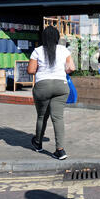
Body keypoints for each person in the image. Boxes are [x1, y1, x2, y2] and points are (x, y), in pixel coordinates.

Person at [27, 26, 76, 160]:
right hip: (61, 86)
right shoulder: (63, 50)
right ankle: (60, 150)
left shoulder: (37, 51)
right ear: (57, 38)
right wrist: (61, 72)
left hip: (42, 86)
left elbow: (31, 70)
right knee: (58, 118)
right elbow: (71, 67)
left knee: (42, 116)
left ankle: (38, 143)